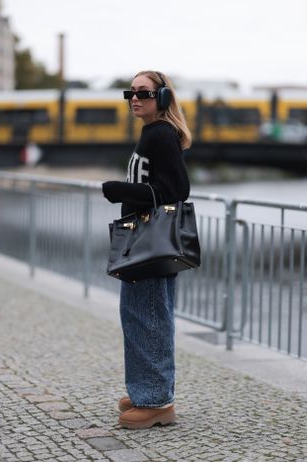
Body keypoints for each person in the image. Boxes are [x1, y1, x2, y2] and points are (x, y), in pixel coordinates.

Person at [102, 70, 192, 429]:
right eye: (131, 93)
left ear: (164, 98)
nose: (135, 98)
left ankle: (156, 401)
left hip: (151, 243)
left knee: (149, 318)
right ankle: (145, 389)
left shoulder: (161, 136)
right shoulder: (151, 133)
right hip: (143, 241)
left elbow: (175, 190)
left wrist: (120, 190)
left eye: (144, 93)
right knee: (137, 315)